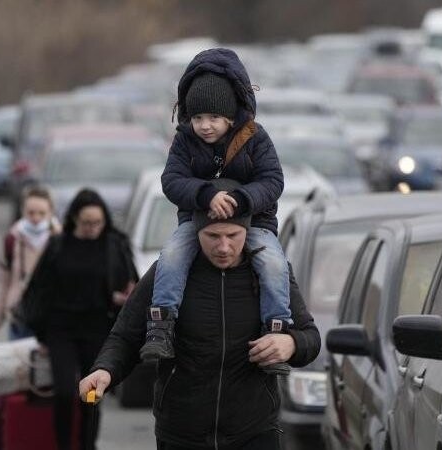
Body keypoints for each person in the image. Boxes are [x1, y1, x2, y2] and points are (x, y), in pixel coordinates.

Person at [80, 192, 321, 450]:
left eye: (233, 236)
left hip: (254, 430)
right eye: (213, 236)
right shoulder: (167, 275)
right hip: (181, 432)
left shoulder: (271, 277)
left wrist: (291, 343)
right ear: (196, 232)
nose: (224, 247)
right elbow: (126, 335)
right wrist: (104, 370)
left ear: (248, 232)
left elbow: (311, 337)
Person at [141, 48, 291, 375]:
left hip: (255, 222)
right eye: (197, 118)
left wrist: (241, 199)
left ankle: (277, 329)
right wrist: (205, 194)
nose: (204, 126)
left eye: (212, 118)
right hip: (196, 222)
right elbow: (171, 180)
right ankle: (161, 325)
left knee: (273, 263)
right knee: (172, 256)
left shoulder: (255, 137)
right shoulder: (184, 141)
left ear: (230, 116)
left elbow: (273, 180)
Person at [20, 189, 138, 450]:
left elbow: (132, 285)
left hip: (97, 329)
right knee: (63, 392)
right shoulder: (58, 245)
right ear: (74, 218)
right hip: (60, 329)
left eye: (97, 222)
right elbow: (39, 289)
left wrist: (122, 297)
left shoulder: (115, 244)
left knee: (92, 395)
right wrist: (39, 332)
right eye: (86, 222)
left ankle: (88, 444)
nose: (92, 228)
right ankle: (63, 444)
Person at [0, 185, 61, 340]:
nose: (36, 218)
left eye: (42, 213)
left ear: (51, 212)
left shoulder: (60, 240)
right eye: (31, 213)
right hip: (20, 317)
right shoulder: (12, 239)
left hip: (50, 319)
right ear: (23, 211)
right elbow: (5, 285)